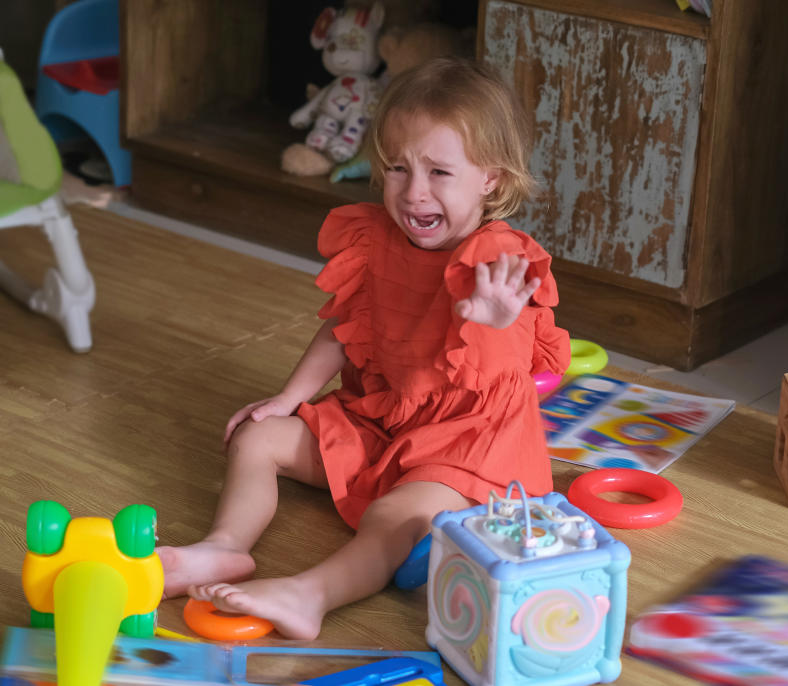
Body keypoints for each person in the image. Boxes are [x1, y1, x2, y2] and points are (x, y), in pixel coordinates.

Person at [158, 57, 571, 640]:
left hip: (467, 444)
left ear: (492, 181)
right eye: (398, 168)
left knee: (393, 518)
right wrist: (288, 397)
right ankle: (225, 547)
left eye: (439, 173)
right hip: (381, 419)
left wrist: (496, 319)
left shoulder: (498, 258)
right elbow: (343, 328)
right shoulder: (376, 237)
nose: (413, 192)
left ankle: (310, 595)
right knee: (257, 436)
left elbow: (504, 358)